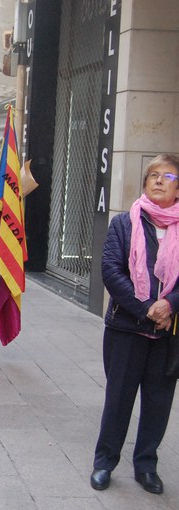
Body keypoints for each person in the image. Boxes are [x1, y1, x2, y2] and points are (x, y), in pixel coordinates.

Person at [90, 154, 179, 495]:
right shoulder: (124, 224)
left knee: (157, 402)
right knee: (119, 398)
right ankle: (104, 462)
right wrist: (146, 308)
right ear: (144, 184)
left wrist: (169, 304)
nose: (159, 180)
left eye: (168, 176)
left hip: (167, 333)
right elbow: (111, 271)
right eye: (153, 175)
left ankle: (146, 466)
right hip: (126, 328)